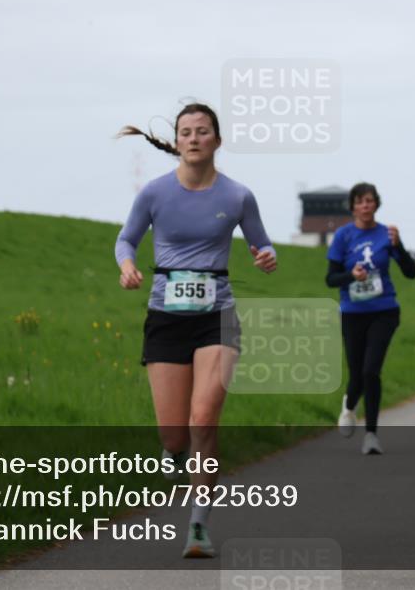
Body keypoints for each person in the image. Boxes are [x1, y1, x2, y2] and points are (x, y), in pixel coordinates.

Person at [115, 103, 277, 558]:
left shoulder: (237, 196)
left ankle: (199, 527)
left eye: (202, 131)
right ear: (177, 141)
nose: (192, 138)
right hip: (166, 318)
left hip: (216, 317)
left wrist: (266, 256)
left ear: (216, 141)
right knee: (175, 434)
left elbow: (261, 242)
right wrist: (127, 265)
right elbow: (126, 238)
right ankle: (174, 453)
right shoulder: (155, 193)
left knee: (203, 418)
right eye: (185, 132)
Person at [328, 182, 415, 454]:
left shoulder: (386, 234)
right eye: (360, 201)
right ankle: (349, 405)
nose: (365, 205)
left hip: (384, 311)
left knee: (370, 371)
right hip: (353, 314)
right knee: (356, 374)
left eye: (370, 201)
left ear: (376, 204)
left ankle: (371, 435)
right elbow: (330, 279)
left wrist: (399, 246)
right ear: (353, 206)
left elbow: (411, 272)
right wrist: (350, 276)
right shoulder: (343, 236)